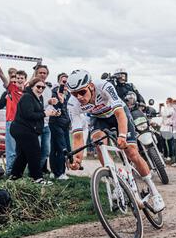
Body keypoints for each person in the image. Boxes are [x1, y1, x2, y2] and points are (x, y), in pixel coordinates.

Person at [66, 70, 165, 213]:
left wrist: (123, 136)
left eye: (81, 92)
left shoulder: (104, 86)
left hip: (117, 114)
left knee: (131, 152)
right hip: (99, 119)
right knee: (98, 142)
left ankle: (155, 192)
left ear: (91, 86)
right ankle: (116, 181)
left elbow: (120, 113)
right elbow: (77, 135)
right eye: (74, 93)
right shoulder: (72, 104)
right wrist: (77, 159)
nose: (79, 97)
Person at [10, 78, 58, 185]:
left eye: (43, 87)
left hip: (25, 129)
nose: (41, 89)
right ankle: (37, 178)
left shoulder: (37, 98)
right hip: (22, 129)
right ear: (32, 86)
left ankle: (14, 177)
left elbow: (38, 113)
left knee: (23, 155)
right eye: (38, 86)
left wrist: (51, 113)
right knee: (35, 153)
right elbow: (29, 114)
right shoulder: (27, 97)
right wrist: (45, 114)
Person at [0, 56, 25, 174]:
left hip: (22, 123)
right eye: (15, 79)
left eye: (20, 79)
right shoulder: (11, 90)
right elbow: (1, 75)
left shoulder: (26, 92)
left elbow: (33, 80)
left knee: (20, 150)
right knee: (11, 150)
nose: (17, 81)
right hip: (11, 121)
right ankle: (10, 172)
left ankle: (17, 172)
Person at [49, 73, 71, 180]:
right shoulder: (54, 91)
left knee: (59, 147)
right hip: (56, 122)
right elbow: (55, 107)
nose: (66, 83)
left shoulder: (70, 94)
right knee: (61, 148)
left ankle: (54, 171)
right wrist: (60, 100)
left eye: (67, 81)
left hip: (65, 124)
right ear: (59, 82)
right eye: (63, 81)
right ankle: (59, 173)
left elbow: (69, 110)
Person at [34, 65, 55, 175]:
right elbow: (35, 106)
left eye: (44, 73)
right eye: (40, 72)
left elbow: (48, 106)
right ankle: (34, 173)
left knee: (46, 151)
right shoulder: (32, 87)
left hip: (46, 124)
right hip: (34, 125)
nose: (42, 74)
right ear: (36, 73)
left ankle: (37, 172)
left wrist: (52, 110)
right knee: (35, 151)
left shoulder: (48, 90)